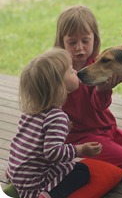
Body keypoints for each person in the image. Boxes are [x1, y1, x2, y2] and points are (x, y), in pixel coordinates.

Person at [54, 5, 122, 174]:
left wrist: (103, 89)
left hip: (107, 129)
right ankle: (72, 155)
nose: (79, 47)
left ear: (95, 39)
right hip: (80, 135)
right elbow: (45, 103)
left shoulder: (98, 65)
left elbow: (99, 106)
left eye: (85, 40)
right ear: (61, 41)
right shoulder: (58, 70)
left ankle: (104, 150)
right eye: (72, 42)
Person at [6, 48, 102, 198]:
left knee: (65, 166)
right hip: (34, 180)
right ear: (58, 86)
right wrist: (80, 150)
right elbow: (52, 153)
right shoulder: (57, 116)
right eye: (71, 71)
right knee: (81, 170)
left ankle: (16, 185)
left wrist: (64, 131)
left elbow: (31, 140)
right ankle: (48, 194)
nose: (76, 72)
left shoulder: (31, 110)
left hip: (16, 171)